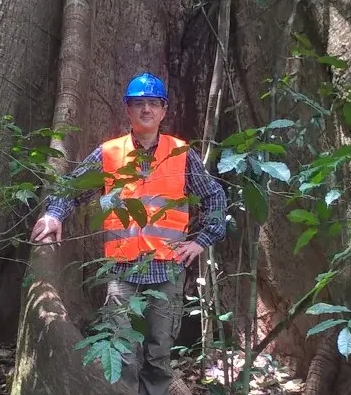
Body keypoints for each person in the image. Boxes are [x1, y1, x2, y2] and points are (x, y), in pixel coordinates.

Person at [30, 71, 227, 395]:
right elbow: (71, 188)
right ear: (128, 110)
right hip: (122, 272)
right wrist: (53, 214)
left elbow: (215, 196)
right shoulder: (109, 153)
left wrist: (202, 240)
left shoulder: (181, 153)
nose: (145, 109)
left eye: (152, 103)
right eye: (138, 104)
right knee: (121, 353)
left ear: (163, 111)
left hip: (167, 269)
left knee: (159, 353)